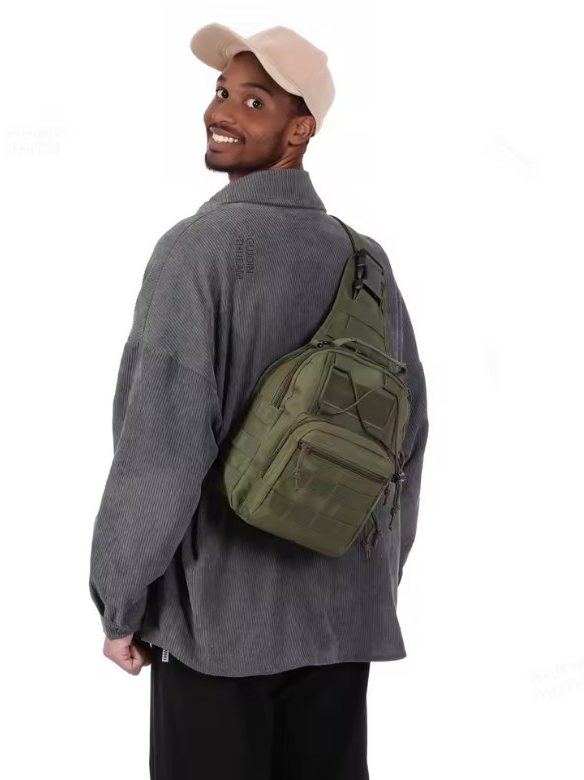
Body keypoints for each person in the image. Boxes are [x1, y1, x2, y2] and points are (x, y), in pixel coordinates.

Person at [88, 22, 430, 780]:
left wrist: (121, 602)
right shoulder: (366, 262)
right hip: (341, 624)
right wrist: (372, 584)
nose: (222, 112)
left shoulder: (198, 251)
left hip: (219, 627)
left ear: (300, 129)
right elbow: (406, 442)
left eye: (253, 101)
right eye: (221, 92)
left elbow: (160, 447)